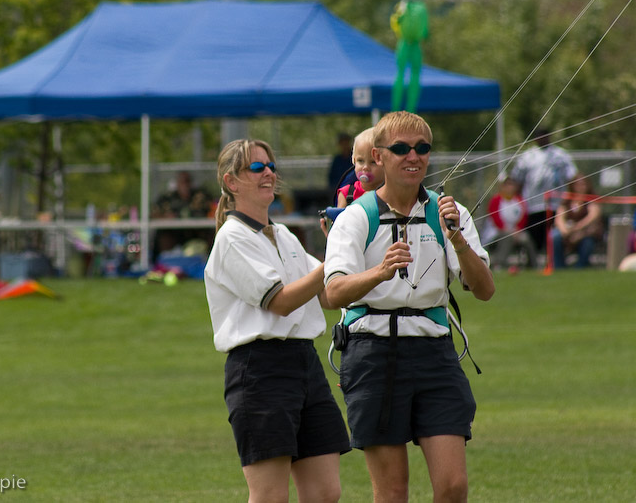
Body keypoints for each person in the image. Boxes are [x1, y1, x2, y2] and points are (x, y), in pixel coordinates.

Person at [324, 111, 495, 503]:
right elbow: (334, 292)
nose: (412, 156)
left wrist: (459, 241)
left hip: (434, 351)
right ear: (379, 157)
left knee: (453, 487)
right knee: (393, 491)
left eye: (422, 148)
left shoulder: (448, 211)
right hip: (372, 354)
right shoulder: (356, 217)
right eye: (400, 148)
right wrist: (380, 273)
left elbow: (484, 290)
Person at [204, 139, 350, 503]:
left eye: (270, 166)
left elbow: (329, 294)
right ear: (231, 182)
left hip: (304, 364)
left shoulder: (283, 235)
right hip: (259, 370)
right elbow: (281, 302)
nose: (269, 172)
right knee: (270, 496)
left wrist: (354, 242)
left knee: (325, 493)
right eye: (256, 167)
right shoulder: (232, 238)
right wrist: (334, 256)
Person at [509, 128, 578, 252]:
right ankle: (534, 265)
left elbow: (572, 177)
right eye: (539, 136)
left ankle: (553, 264)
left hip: (555, 205)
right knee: (534, 239)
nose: (542, 139)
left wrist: (568, 200)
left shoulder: (560, 155)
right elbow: (517, 181)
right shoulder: (527, 156)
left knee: (553, 238)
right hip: (532, 206)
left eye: (544, 136)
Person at [151, 170, 213, 261]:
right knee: (163, 236)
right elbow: (153, 214)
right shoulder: (167, 197)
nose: (185, 185)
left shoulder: (201, 196)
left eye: (187, 181)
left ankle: (211, 261)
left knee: (212, 232)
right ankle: (164, 263)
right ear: (176, 183)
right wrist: (165, 217)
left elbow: (213, 208)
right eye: (182, 181)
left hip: (198, 233)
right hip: (175, 234)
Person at [482, 175, 538, 270]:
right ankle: (499, 264)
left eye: (511, 184)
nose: (509, 187)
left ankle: (533, 265)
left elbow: (523, 218)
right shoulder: (496, 200)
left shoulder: (519, 200)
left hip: (516, 232)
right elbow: (496, 219)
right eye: (507, 185)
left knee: (526, 239)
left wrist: (517, 230)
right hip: (496, 233)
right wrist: (508, 231)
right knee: (507, 237)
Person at [550, 174, 603, 269]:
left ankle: (580, 268)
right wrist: (565, 231)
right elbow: (559, 217)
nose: (580, 187)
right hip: (568, 231)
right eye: (577, 184)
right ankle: (559, 268)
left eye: (583, 184)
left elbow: (592, 217)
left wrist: (577, 228)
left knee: (588, 242)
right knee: (555, 236)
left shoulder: (592, 200)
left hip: (585, 232)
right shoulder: (567, 201)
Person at [336, 127, 384, 208]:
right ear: (354, 160)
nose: (365, 167)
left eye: (373, 162)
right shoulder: (347, 194)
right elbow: (340, 220)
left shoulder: (391, 194)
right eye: (360, 161)